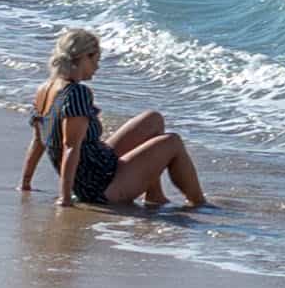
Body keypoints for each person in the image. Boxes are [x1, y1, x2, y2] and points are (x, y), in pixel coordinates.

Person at [19, 27, 206, 212]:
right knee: (172, 142)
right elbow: (70, 147)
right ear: (85, 57)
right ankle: (198, 203)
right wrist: (65, 197)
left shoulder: (44, 90)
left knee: (152, 119)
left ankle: (154, 195)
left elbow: (38, 140)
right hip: (101, 186)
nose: (97, 67)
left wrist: (26, 182)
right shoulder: (76, 93)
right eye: (96, 60)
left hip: (97, 166)